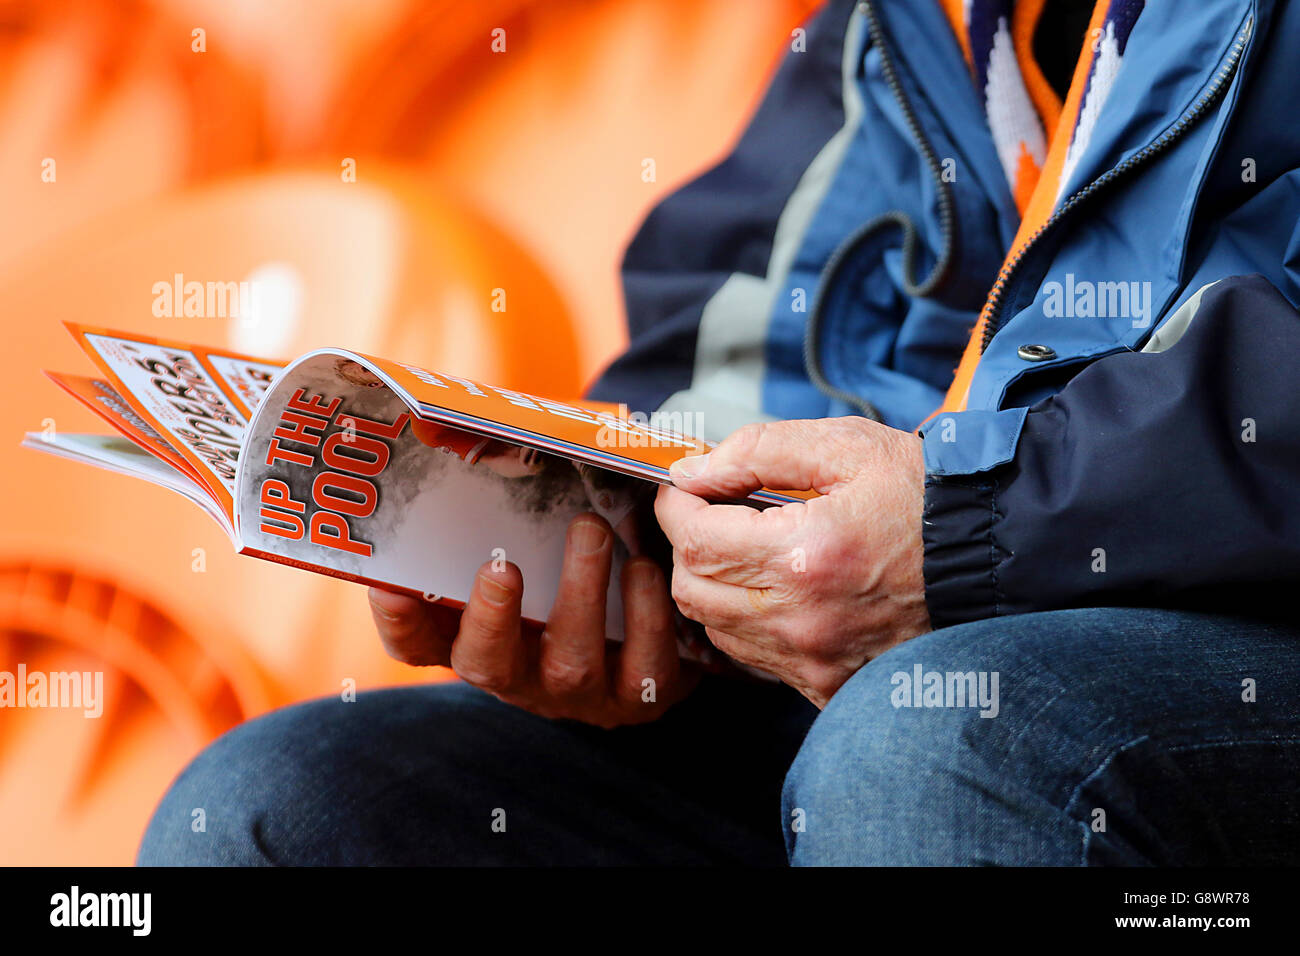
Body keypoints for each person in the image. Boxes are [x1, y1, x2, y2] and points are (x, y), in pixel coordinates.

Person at [139, 0, 1300, 866]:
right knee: (279, 806)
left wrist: (981, 524)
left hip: (1208, 663)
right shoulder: (910, 23)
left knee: (927, 744)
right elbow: (724, 333)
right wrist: (637, 564)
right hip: (883, 684)